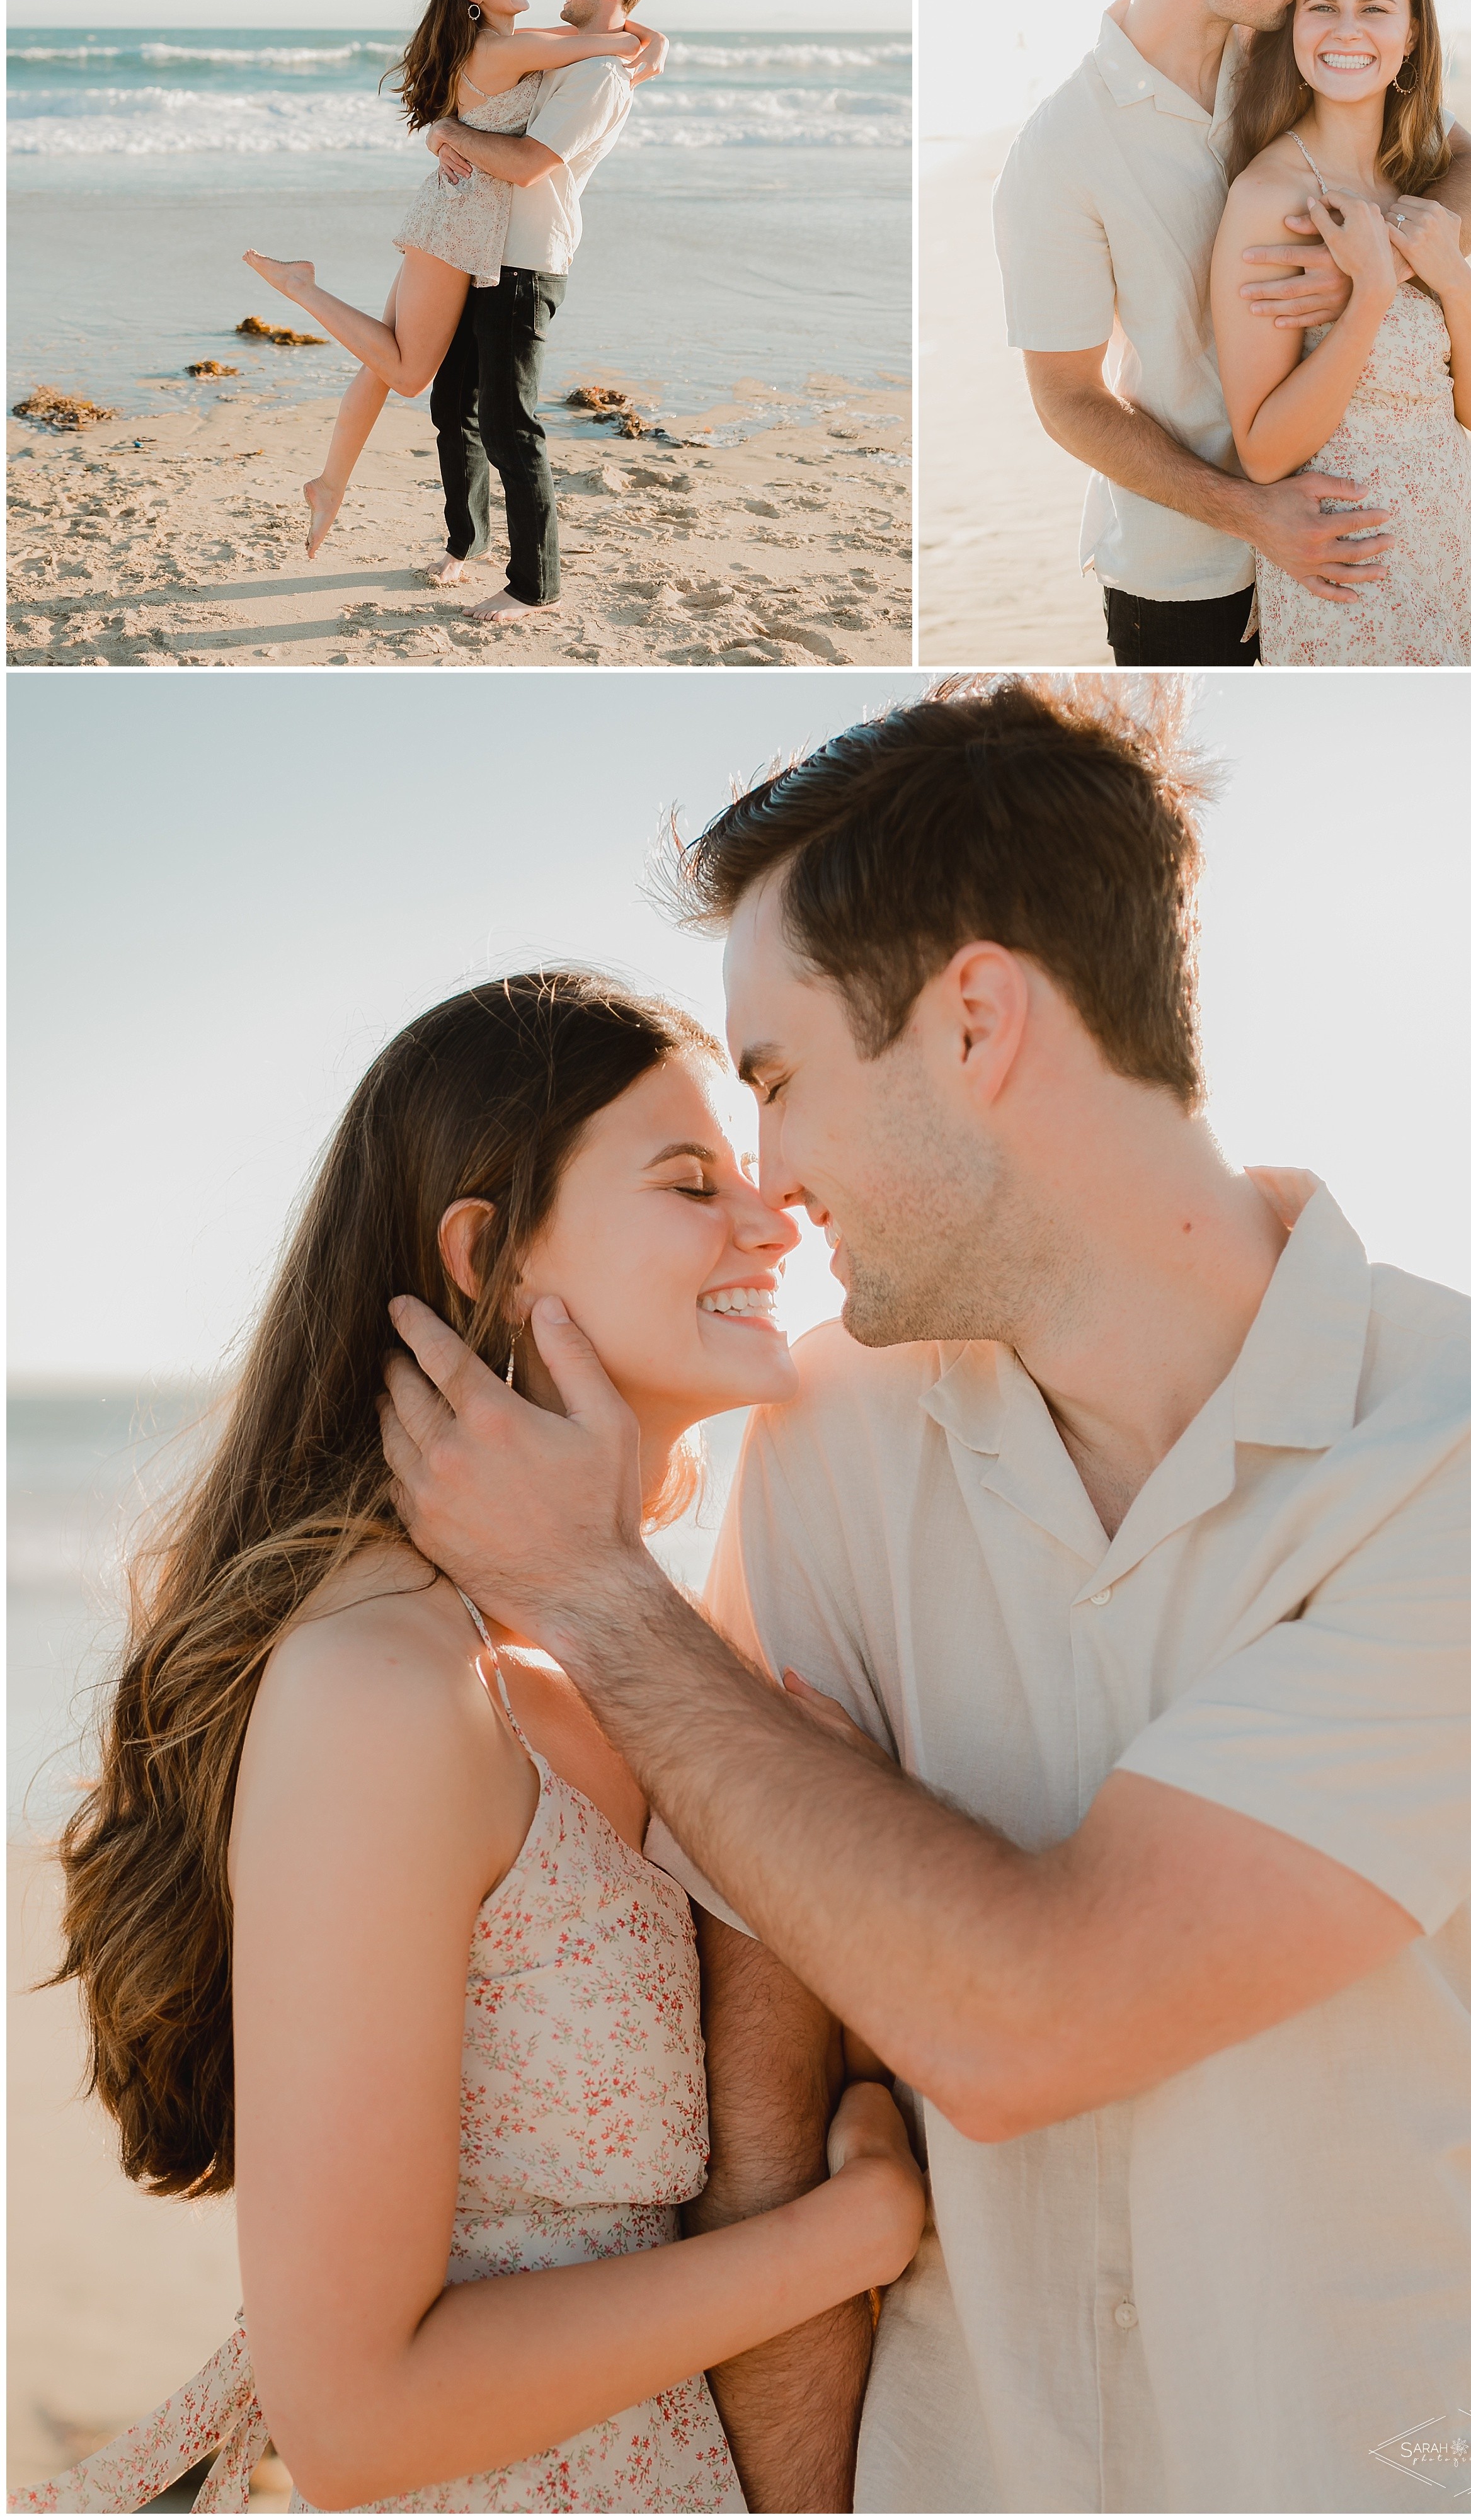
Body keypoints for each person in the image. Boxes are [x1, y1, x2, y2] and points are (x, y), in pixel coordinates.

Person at [378, 680, 1471, 2516]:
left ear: (975, 1020)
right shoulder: (831, 1442)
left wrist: (599, 1600)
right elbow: (770, 2082)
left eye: (773, 1080)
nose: (769, 1183)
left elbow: (1026, 2022)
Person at [16, 976, 923, 2517]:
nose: (774, 1226)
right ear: (488, 1258)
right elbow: (356, 2413)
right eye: (693, 1185)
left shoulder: (628, 1652)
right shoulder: (386, 1687)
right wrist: (837, 2244)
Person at [992, 0, 1471, 666]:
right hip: (1191, 574)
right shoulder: (1060, 150)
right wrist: (1248, 510)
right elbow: (1066, 399)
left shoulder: (1289, 50)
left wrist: (1370, 260)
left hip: (1360, 528)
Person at [239, 0, 664, 572]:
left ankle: (330, 485)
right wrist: (650, 43)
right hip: (461, 224)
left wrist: (443, 131)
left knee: (388, 363)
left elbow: (589, 42)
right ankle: (302, 288)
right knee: (411, 375)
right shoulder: (513, 48)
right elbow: (610, 40)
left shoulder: (523, 46)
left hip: (464, 222)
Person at [1213, 0, 1471, 663]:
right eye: (1322, 7)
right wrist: (1369, 297)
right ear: (1292, 28)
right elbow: (1263, 453)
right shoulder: (1269, 198)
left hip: (1458, 552)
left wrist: (1448, 275)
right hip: (1352, 576)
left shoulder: (1418, 172)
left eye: (1375, 9)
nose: (1347, 30)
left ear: (1411, 35)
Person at [418, 0, 663, 625]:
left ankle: (534, 585)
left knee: (509, 426)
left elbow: (526, 163)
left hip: (528, 259)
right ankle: (465, 542)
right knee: (452, 408)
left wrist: (448, 132)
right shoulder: (576, 52)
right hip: (485, 247)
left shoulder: (599, 78)